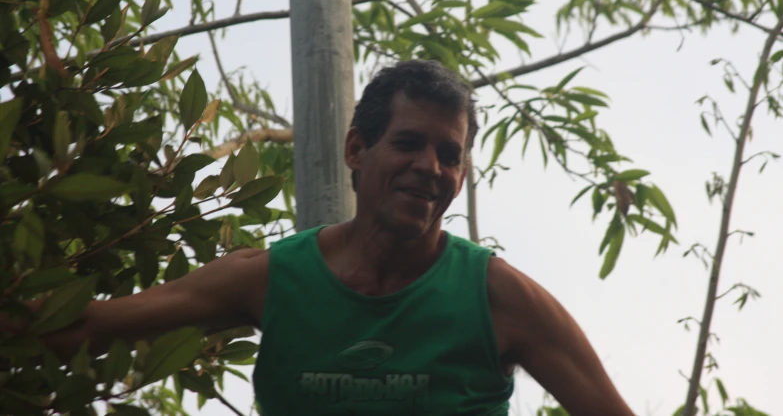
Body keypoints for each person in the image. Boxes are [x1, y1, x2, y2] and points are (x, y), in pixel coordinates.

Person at [29, 60, 634, 415]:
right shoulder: (271, 279)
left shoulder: (499, 300)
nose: (431, 167)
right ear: (356, 150)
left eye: (450, 155)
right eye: (408, 143)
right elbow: (88, 327)